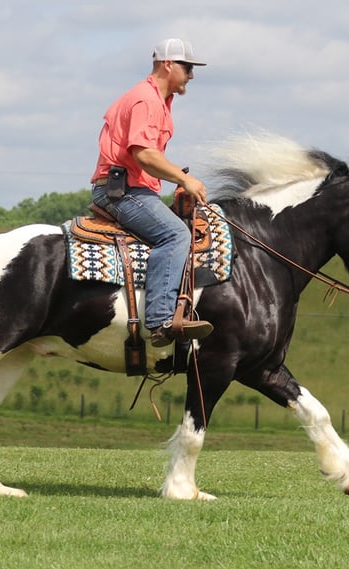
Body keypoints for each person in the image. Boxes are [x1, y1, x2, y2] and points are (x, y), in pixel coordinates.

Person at [90, 38, 213, 348]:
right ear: (167, 65)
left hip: (133, 188)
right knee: (176, 235)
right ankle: (159, 321)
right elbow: (144, 155)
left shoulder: (158, 100)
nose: (191, 76)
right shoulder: (146, 100)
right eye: (187, 68)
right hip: (122, 191)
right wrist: (185, 181)